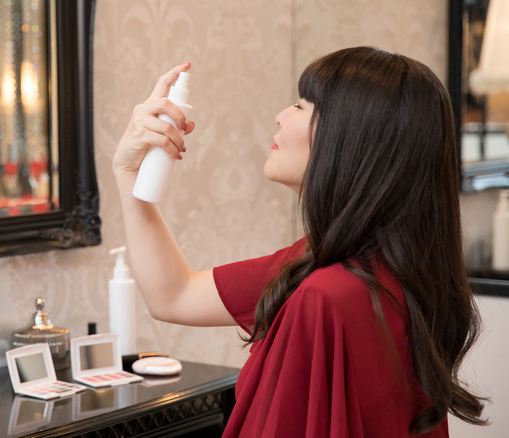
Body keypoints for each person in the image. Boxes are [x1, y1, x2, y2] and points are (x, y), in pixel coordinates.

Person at [112, 47, 487, 437]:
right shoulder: (368, 265)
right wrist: (128, 172)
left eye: (300, 105)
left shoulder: (323, 296)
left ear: (350, 139)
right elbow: (173, 294)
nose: (280, 114)